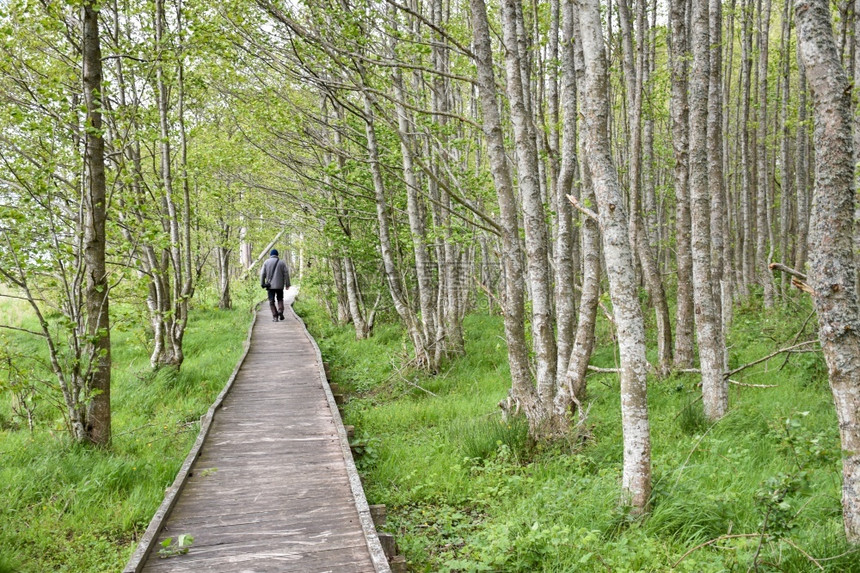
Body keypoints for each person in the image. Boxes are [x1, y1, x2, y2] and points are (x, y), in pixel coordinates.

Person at [261, 249, 290, 322]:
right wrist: (287, 284)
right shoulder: (282, 263)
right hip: (280, 286)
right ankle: (280, 310)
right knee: (280, 299)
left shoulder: (266, 262)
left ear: (270, 255)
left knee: (271, 301)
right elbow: (286, 274)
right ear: (277, 255)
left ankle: (275, 317)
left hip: (270, 286)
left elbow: (262, 274)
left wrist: (262, 283)